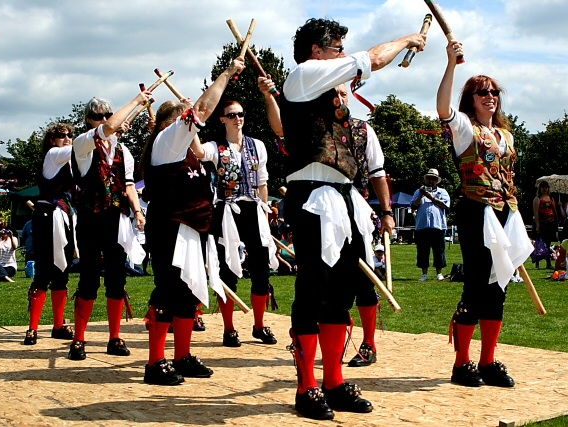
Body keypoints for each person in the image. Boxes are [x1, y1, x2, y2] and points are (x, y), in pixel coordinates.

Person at [280, 18, 424, 420]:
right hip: (313, 197)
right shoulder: (302, 77)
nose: (343, 54)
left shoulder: (335, 101)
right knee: (313, 292)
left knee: (342, 294)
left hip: (344, 199)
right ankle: (306, 387)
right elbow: (373, 59)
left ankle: (334, 382)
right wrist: (408, 39)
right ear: (316, 50)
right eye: (337, 48)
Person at [138, 58, 245, 386]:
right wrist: (227, 74)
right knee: (168, 292)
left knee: (188, 295)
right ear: (169, 124)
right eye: (183, 119)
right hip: (171, 225)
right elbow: (201, 109)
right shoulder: (167, 141)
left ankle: (181, 356)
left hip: (195, 226)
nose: (191, 124)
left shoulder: (188, 152)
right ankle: (156, 362)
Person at [437, 40, 533, 388]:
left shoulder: (506, 134)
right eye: (481, 92)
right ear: (471, 99)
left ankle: (488, 361)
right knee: (477, 284)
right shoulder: (464, 128)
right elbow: (443, 106)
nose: (489, 96)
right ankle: (462, 363)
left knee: (499, 286)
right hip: (476, 210)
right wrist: (451, 64)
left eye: (493, 92)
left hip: (506, 211)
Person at [69, 91, 151, 361]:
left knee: (117, 278)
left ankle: (115, 336)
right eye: (97, 116)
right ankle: (78, 339)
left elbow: (128, 185)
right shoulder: (82, 144)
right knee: (89, 278)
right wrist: (136, 102)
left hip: (116, 219)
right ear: (88, 120)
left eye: (107, 114)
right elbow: (110, 128)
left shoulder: (122, 150)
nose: (103, 119)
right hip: (90, 219)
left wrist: (138, 212)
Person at [205, 94, 279, 348]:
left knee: (261, 269)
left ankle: (259, 324)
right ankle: (229, 329)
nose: (238, 119)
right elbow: (197, 151)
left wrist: (265, 209)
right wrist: (192, 120)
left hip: (253, 210)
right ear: (222, 119)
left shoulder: (257, 145)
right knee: (227, 269)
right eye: (232, 115)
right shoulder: (215, 147)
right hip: (226, 213)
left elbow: (262, 181)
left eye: (241, 114)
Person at [24, 122, 77, 346]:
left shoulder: (70, 162)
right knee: (44, 270)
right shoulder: (54, 155)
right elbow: (81, 148)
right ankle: (32, 329)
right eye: (61, 136)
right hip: (48, 217)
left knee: (61, 271)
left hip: (64, 216)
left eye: (69, 135)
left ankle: (58, 325)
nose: (67, 138)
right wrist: (106, 131)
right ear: (52, 140)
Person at [411, 168, 450, 281]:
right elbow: (413, 205)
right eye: (429, 179)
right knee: (423, 251)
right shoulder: (419, 191)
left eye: (433, 179)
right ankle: (424, 274)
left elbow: (445, 206)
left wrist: (431, 197)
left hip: (438, 226)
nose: (431, 181)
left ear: (437, 181)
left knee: (439, 250)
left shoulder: (442, 192)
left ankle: (439, 273)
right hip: (422, 226)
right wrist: (421, 195)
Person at [532, 181, 558, 269]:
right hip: (541, 223)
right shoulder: (537, 199)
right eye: (543, 187)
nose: (544, 189)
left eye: (546, 187)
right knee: (539, 243)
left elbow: (554, 211)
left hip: (550, 224)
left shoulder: (551, 198)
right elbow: (536, 213)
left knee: (548, 244)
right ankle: (537, 263)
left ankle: (548, 263)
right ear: (540, 189)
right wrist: (537, 225)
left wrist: (556, 223)